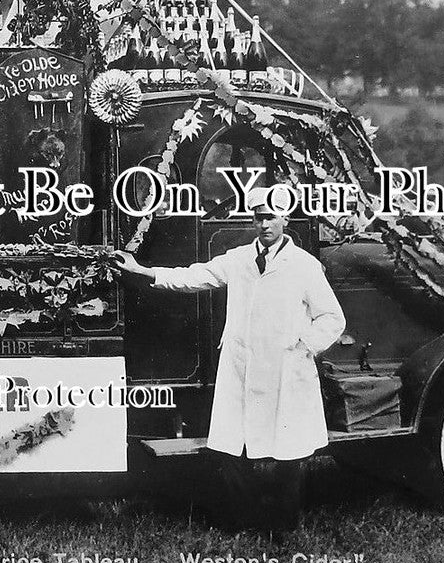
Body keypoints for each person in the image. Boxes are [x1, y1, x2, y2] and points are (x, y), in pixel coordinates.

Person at [114, 186, 345, 528]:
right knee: (232, 448)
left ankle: (282, 525)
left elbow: (331, 318)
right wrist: (146, 272)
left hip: (286, 368)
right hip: (242, 366)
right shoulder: (238, 260)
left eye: (270, 217)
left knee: (289, 451)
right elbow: (196, 276)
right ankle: (241, 518)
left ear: (284, 219)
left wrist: (304, 345)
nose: (264, 224)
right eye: (258, 217)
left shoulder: (303, 266)